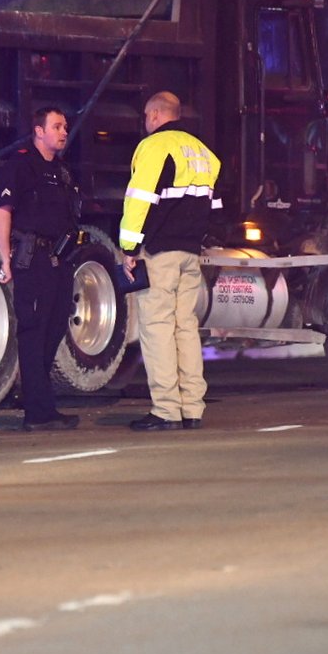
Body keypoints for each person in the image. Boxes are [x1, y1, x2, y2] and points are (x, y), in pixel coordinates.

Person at [120, 91, 221, 430]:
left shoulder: (154, 148)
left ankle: (165, 410)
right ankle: (193, 409)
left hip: (160, 253)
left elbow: (139, 201)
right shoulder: (205, 153)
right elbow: (215, 209)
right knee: (186, 328)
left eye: (147, 116)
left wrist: (129, 248)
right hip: (191, 252)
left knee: (158, 328)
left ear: (155, 115)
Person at [0, 107, 82, 430]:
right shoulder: (21, 165)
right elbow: (2, 212)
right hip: (33, 257)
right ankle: (37, 413)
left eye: (65, 126)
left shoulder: (62, 171)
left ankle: (41, 402)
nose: (63, 132)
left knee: (56, 326)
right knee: (33, 330)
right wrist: (5, 258)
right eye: (57, 126)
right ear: (38, 131)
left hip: (60, 259)